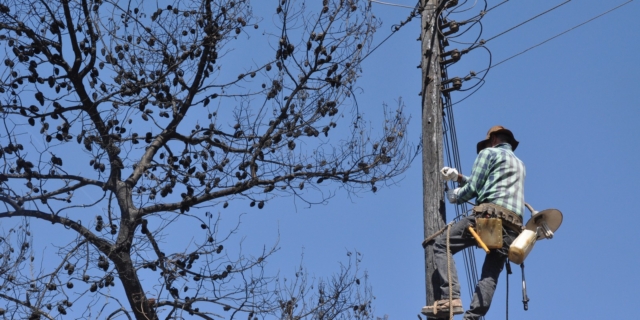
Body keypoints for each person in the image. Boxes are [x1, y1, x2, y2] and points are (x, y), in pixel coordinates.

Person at [422, 125, 526, 319]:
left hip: (489, 217)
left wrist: (456, 196)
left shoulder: (488, 153)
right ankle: (473, 317)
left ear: (493, 139)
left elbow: (474, 188)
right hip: (512, 229)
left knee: (441, 245)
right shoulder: (519, 164)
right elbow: (489, 184)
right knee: (490, 273)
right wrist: (458, 177)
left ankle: (450, 297)